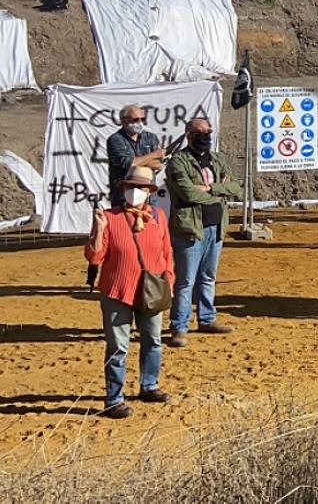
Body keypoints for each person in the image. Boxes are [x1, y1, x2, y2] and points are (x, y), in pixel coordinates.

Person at [85, 166, 174, 418]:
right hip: (117, 290)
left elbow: (167, 253)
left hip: (151, 289)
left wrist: (168, 281)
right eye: (131, 187)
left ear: (150, 191)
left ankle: (149, 385)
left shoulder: (158, 217)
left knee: (153, 340)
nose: (135, 192)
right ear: (124, 189)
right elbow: (94, 257)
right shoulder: (110, 217)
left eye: (140, 188)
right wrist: (99, 228)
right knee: (118, 347)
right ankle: (114, 399)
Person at [165, 118, 240, 348]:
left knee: (208, 277)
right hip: (190, 228)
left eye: (208, 131)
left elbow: (235, 186)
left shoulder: (217, 159)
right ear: (189, 135)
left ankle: (207, 319)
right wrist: (219, 193)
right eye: (200, 132)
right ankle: (179, 326)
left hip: (216, 226)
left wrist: (210, 188)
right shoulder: (178, 161)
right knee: (186, 280)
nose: (205, 136)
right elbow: (188, 193)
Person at [106, 105, 164, 207]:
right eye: (136, 119)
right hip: (124, 197)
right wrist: (154, 155)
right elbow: (127, 163)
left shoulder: (150, 137)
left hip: (148, 196)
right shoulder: (115, 139)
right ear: (123, 121)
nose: (140, 122)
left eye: (142, 119)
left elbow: (158, 164)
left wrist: (137, 162)